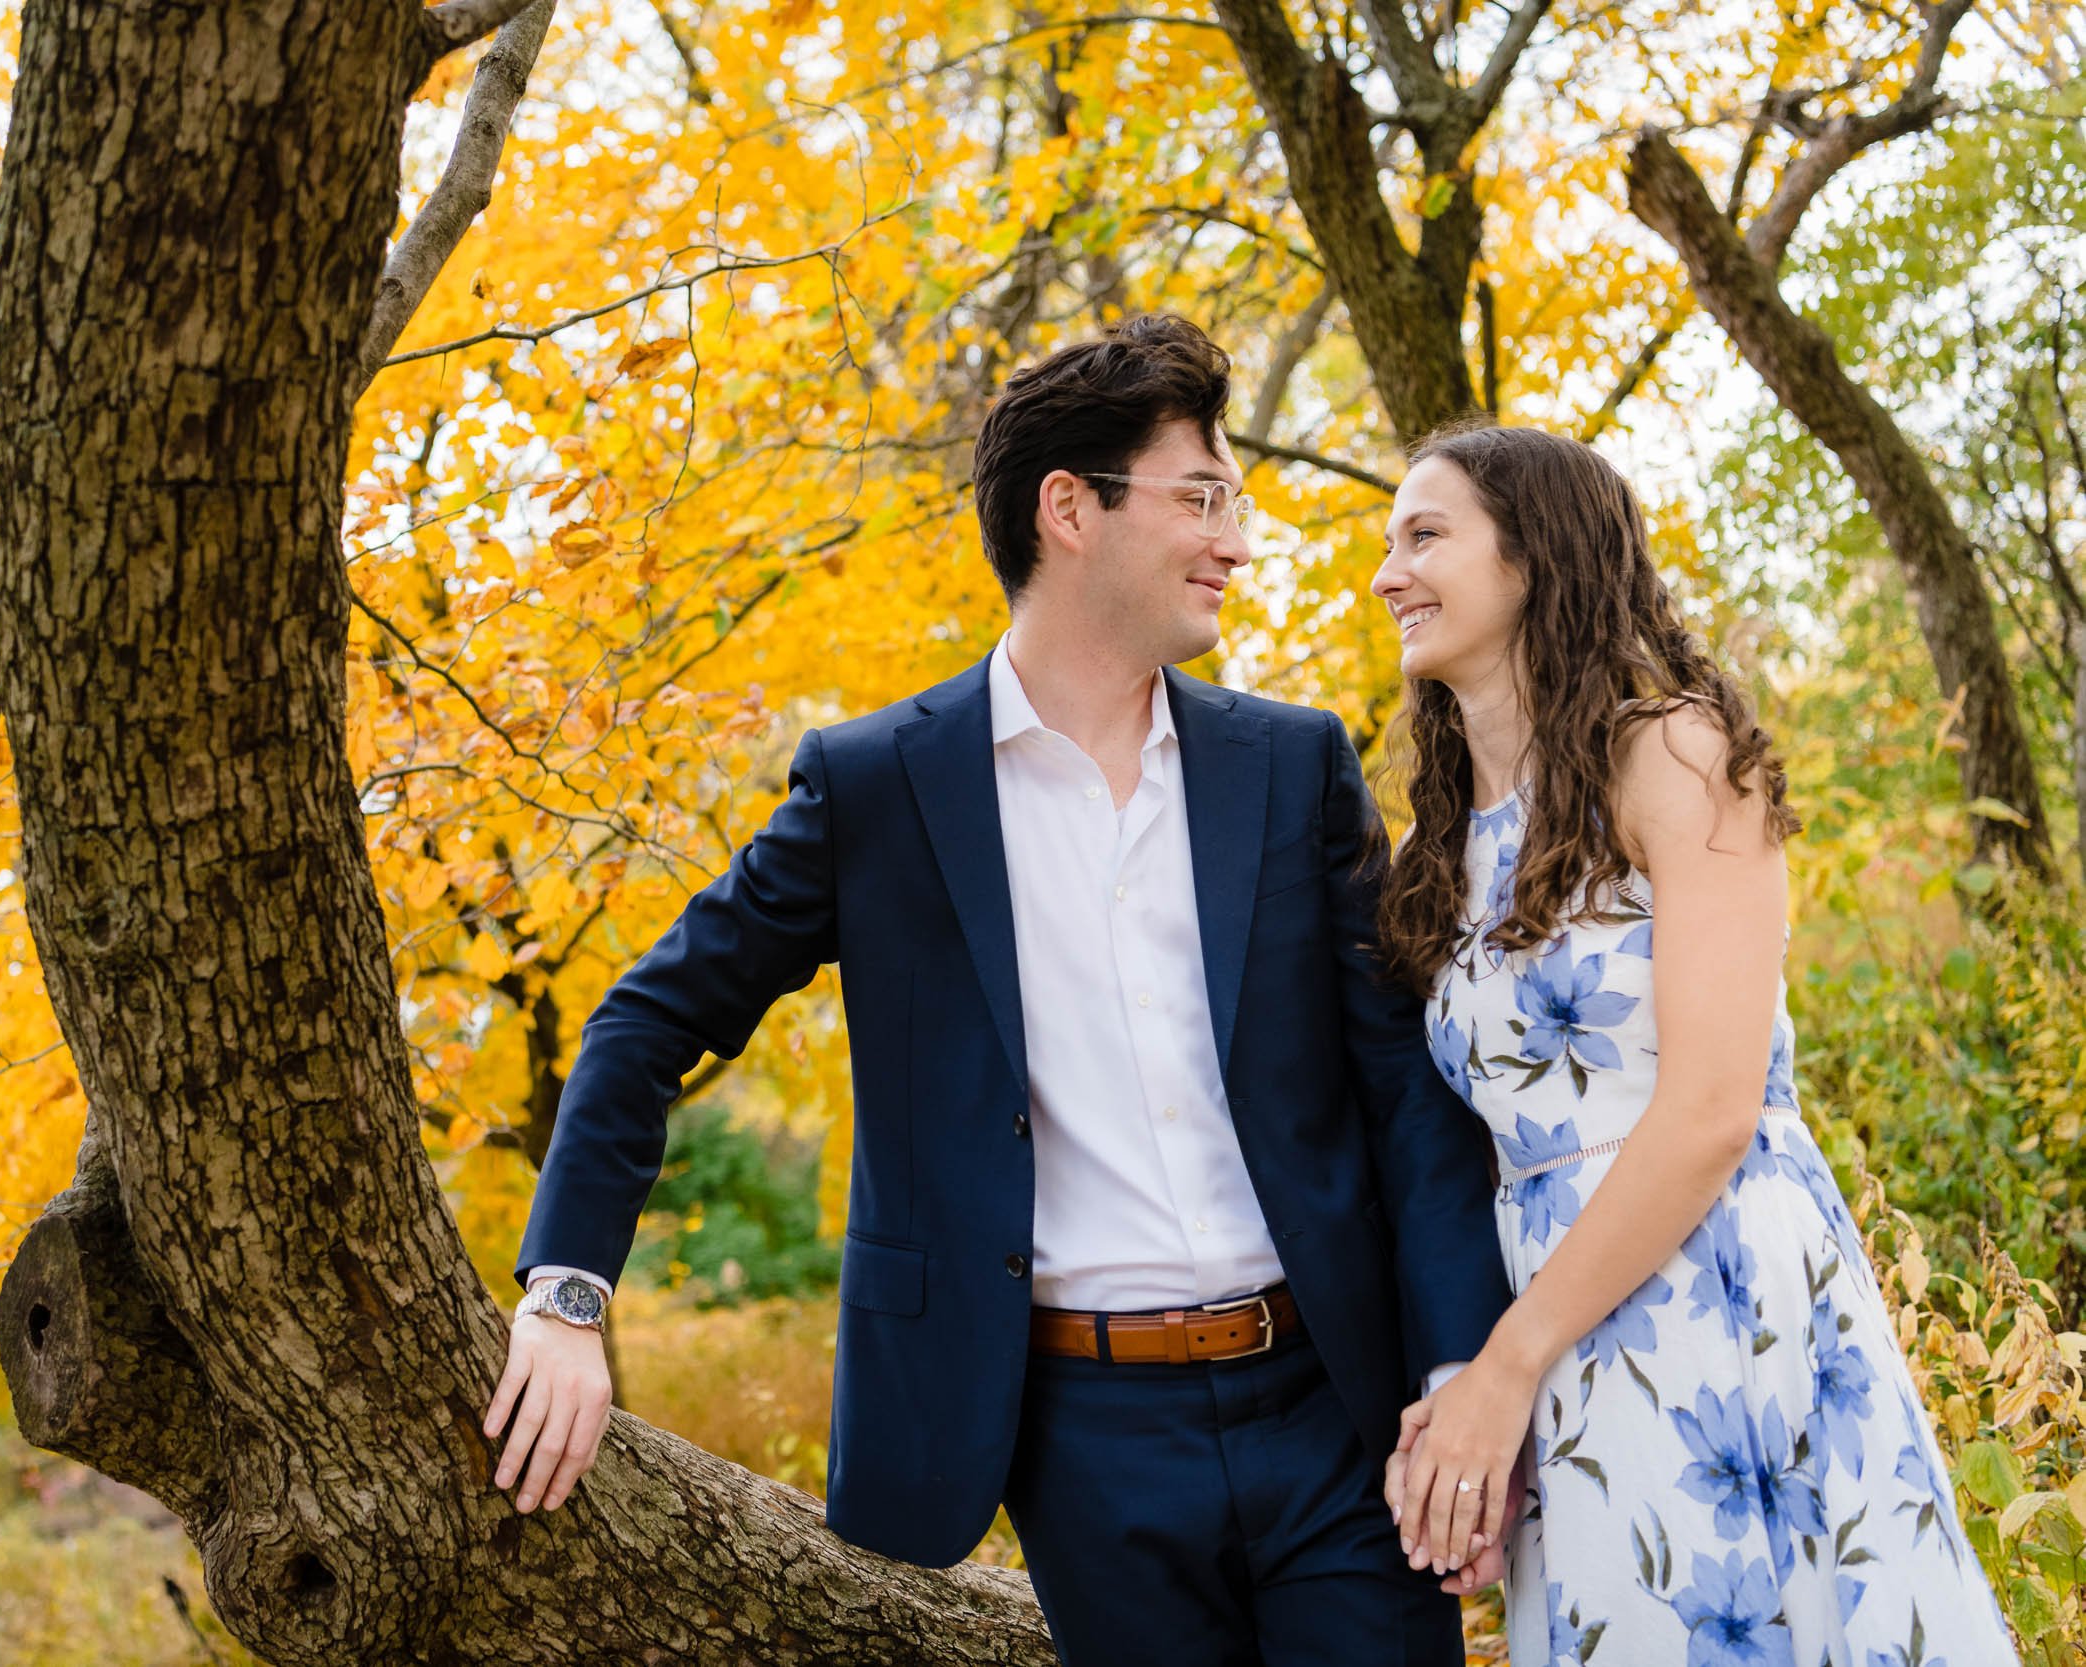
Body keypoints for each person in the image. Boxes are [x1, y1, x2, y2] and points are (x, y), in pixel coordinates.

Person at [486, 314, 1516, 1664]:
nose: (1237, 539)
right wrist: (567, 1294)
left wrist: (1458, 1378)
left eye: (1236, 501)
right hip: (1083, 1436)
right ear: (1070, 509)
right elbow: (646, 1021)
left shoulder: (1291, 765)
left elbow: (1405, 1092)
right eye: (1201, 496)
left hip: (1334, 1401)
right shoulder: (877, 788)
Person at [1371, 423, 2018, 1665]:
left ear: (1532, 555)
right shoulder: (1435, 852)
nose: (1388, 572)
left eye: (1425, 534)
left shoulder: (1671, 749)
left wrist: (1505, 1368)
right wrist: (1476, 1382)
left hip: (1717, 1285)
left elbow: (1715, 1104)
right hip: (1553, 1326)